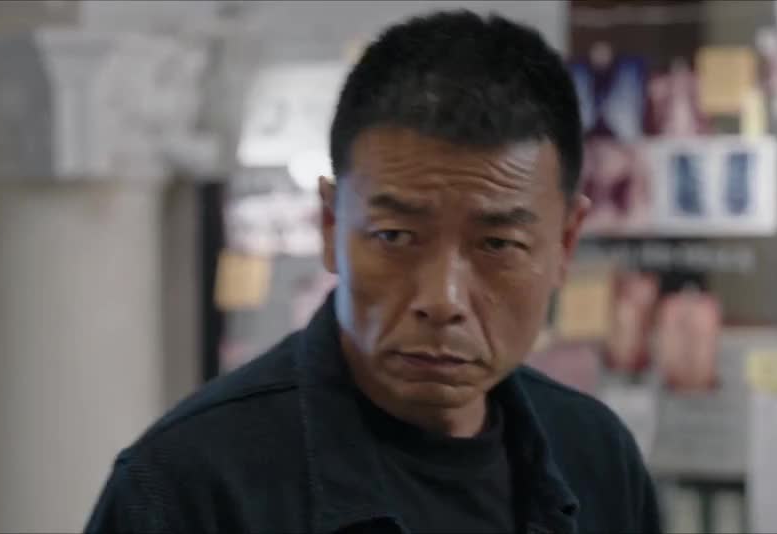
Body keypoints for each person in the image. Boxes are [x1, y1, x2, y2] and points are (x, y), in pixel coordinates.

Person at [86, 10, 662, 534]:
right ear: (330, 225)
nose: (443, 299)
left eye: (497, 243)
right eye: (395, 236)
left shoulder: (596, 457)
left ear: (564, 245)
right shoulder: (186, 488)